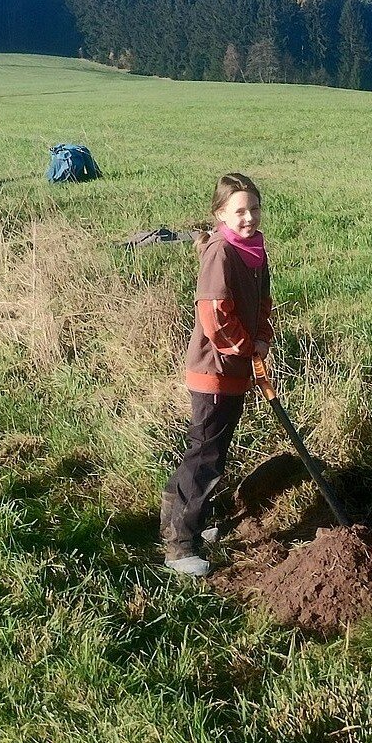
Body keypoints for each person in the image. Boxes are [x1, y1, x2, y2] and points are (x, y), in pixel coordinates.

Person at [160, 173, 274, 578]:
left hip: (234, 369)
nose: (249, 217)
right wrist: (246, 346)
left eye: (254, 209)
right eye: (239, 211)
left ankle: (180, 520)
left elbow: (263, 303)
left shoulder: (254, 251)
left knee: (209, 450)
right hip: (214, 370)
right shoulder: (221, 252)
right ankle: (181, 546)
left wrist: (262, 337)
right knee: (206, 455)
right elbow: (214, 315)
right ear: (221, 213)